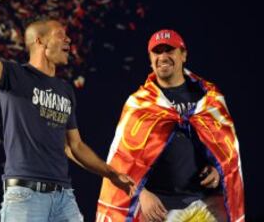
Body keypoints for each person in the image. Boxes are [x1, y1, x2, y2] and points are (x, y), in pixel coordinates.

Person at [0, 19, 135, 222]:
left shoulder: (65, 90)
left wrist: (111, 173)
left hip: (63, 197)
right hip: (25, 196)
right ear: (40, 41)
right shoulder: (14, 75)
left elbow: (75, 146)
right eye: (60, 34)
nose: (68, 40)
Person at [96, 29, 245, 222]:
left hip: (205, 206)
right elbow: (122, 162)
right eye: (157, 52)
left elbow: (227, 152)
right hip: (159, 209)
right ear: (150, 60)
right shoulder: (139, 104)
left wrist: (218, 170)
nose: (163, 57)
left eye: (169, 50)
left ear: (183, 55)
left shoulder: (209, 99)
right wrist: (142, 194)